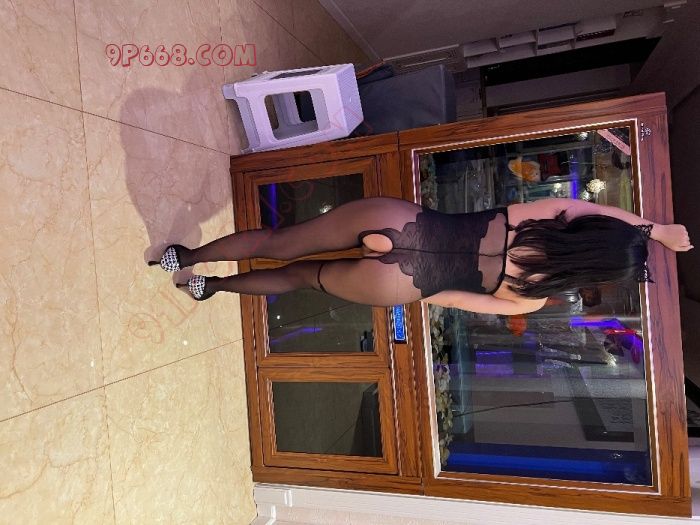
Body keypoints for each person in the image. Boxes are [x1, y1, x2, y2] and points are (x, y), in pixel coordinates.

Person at [148, 197, 692, 315]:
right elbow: (449, 300)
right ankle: (209, 287)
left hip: (399, 222)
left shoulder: (542, 218)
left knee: (275, 242)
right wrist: (413, 290)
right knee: (296, 278)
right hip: (404, 281)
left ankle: (185, 254)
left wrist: (657, 230)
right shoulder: (531, 298)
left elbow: (589, 209)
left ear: (595, 231)